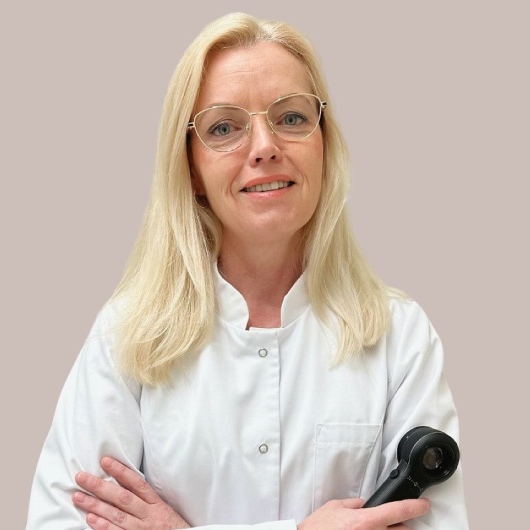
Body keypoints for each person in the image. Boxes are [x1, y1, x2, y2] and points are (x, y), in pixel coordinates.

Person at [26, 12, 469, 530]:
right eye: (223, 127)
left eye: (292, 118)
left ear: (324, 144)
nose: (264, 147)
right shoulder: (127, 335)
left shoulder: (401, 338)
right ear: (191, 168)